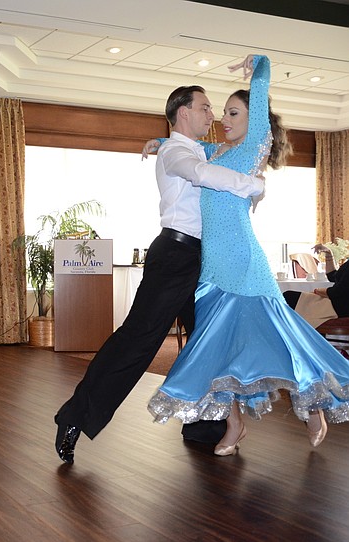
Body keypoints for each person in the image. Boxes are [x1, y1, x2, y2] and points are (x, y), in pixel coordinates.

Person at [53, 83, 266, 464]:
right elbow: (198, 172)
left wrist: (157, 138)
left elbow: (212, 158)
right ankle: (74, 417)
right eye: (204, 107)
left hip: (206, 259)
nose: (212, 115)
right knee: (138, 341)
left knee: (209, 342)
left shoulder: (195, 147)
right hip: (175, 255)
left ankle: (208, 425)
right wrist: (252, 185)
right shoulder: (176, 153)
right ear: (183, 112)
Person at [146, 55, 349, 456]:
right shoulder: (215, 152)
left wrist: (259, 66)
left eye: (233, 112)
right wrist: (163, 142)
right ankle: (234, 424)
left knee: (277, 336)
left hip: (242, 259)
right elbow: (190, 148)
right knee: (219, 346)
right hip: (211, 267)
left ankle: (312, 406)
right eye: (222, 112)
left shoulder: (255, 143)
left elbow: (261, 92)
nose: (224, 118)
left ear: (253, 118)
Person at [283, 243, 349, 328]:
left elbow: (337, 292)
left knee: (288, 296)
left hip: (340, 306)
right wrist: (329, 254)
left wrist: (317, 291)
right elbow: (332, 276)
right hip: (337, 302)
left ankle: (298, 333)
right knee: (290, 296)